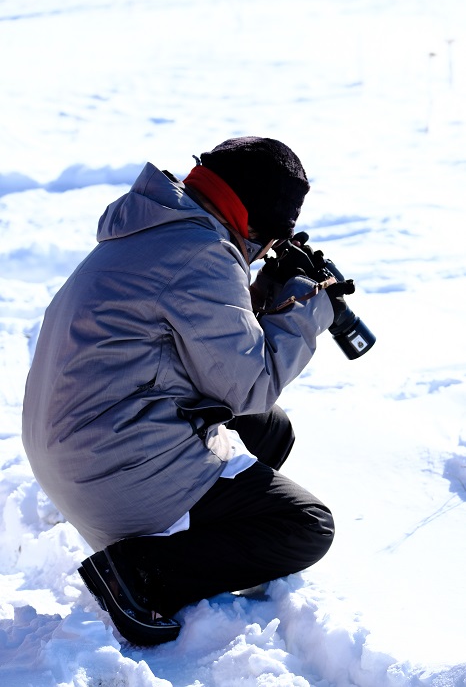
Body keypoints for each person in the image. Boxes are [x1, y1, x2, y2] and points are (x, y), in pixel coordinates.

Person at [22, 136, 339, 646]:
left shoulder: (159, 224)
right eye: (270, 240)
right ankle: (141, 576)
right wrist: (307, 307)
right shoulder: (204, 254)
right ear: (255, 222)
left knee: (269, 428)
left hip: (76, 452)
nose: (265, 253)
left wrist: (258, 299)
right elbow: (252, 384)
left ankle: (189, 542)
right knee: (306, 525)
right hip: (110, 471)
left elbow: (192, 343)